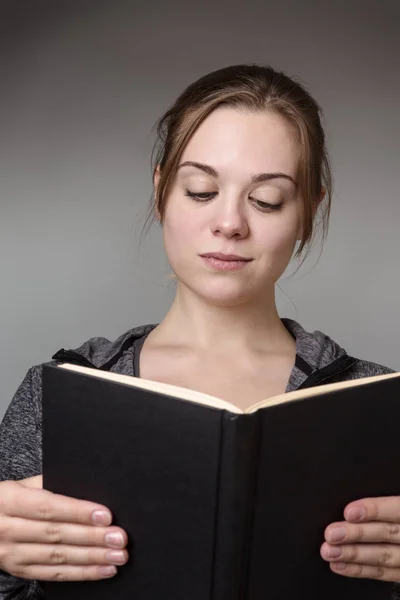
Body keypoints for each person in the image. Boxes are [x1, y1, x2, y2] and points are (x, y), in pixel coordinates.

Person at [0, 63, 398, 599]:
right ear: (162, 188)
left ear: (308, 212)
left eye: (268, 200)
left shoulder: (375, 401)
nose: (230, 222)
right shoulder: (62, 389)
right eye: (201, 189)